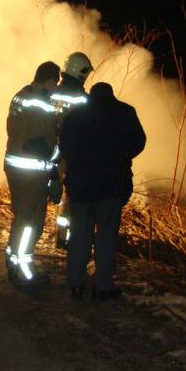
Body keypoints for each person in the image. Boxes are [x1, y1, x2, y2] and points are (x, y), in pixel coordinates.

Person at [59, 82, 146, 302]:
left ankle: (76, 284)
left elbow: (64, 146)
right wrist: (120, 156)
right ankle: (103, 286)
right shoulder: (124, 112)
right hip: (110, 186)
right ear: (111, 95)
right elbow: (139, 141)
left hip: (80, 187)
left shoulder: (76, 115)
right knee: (106, 237)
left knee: (79, 235)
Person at [3, 60, 61, 286]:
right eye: (55, 83)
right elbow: (44, 142)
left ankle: (12, 258)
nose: (56, 88)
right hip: (32, 172)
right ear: (49, 81)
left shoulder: (21, 95)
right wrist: (57, 160)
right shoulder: (39, 102)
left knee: (22, 216)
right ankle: (24, 270)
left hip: (16, 167)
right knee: (31, 222)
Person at [50, 51, 94, 249]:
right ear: (79, 72)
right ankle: (63, 237)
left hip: (48, 150)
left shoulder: (50, 92)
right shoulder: (82, 99)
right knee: (67, 198)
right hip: (69, 154)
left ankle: (52, 233)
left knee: (46, 193)